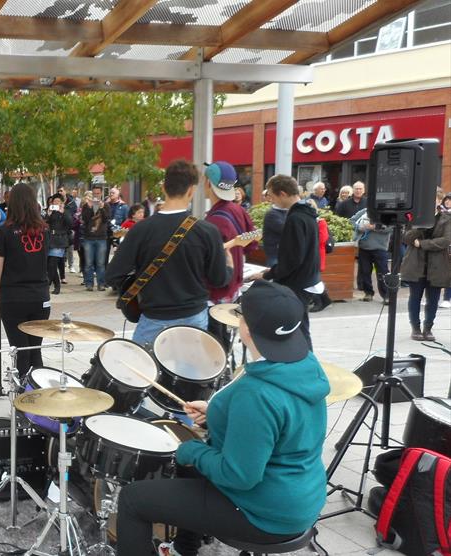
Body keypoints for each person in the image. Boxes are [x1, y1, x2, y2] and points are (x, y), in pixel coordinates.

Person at [116, 280, 329, 556]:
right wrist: (216, 413)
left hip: (264, 514)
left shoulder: (256, 394)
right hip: (302, 497)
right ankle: (184, 548)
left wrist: (191, 451)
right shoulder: (306, 367)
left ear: (247, 328)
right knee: (192, 466)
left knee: (133, 500)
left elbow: (239, 476)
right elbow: (282, 429)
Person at [107, 160, 232, 346]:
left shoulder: (140, 230)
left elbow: (112, 275)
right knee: (190, 373)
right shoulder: (207, 231)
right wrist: (229, 264)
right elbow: (219, 280)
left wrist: (138, 280)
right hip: (194, 319)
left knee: (146, 374)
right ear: (192, 190)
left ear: (164, 188)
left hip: (153, 319)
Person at [248, 175, 320, 349]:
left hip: (298, 283)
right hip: (307, 279)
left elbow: (292, 259)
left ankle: (307, 367)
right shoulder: (306, 213)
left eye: (271, 196)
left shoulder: (296, 218)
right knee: (301, 326)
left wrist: (267, 274)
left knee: (298, 328)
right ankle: (306, 365)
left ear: (282, 193)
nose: (270, 200)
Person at [0, 183, 50, 378]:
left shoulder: (3, 232)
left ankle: (25, 400)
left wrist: (0, 298)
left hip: (13, 297)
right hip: (40, 296)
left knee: (20, 352)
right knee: (35, 350)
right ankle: (39, 395)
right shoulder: (44, 230)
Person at [203, 161, 258, 306]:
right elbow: (252, 243)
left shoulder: (213, 221)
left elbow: (208, 263)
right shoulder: (239, 210)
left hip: (217, 294)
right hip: (235, 288)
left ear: (208, 183)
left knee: (214, 329)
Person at [402, 187, 451, 341]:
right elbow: (407, 237)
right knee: (415, 297)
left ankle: (428, 328)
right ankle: (415, 328)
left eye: (434, 199)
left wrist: (422, 244)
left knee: (433, 298)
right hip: (416, 263)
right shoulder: (414, 218)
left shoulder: (447, 219)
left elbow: (445, 241)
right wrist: (421, 225)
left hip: (437, 264)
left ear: (439, 200)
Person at [350, 207, 391, 303]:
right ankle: (368, 293)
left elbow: (391, 227)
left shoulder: (387, 212)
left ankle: (386, 296)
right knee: (365, 272)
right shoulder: (365, 210)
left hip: (380, 248)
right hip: (364, 247)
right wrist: (360, 227)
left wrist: (374, 227)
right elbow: (351, 221)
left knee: (383, 272)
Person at [81, 189, 111, 291]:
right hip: (89, 238)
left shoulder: (106, 205)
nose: (96, 195)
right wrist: (89, 207)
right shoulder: (86, 205)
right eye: (94, 193)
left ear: (101, 194)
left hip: (101, 238)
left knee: (100, 263)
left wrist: (102, 208)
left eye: (98, 193)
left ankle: (101, 284)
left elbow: (107, 219)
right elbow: (85, 219)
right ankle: (89, 284)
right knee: (88, 263)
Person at [46, 194, 72, 295]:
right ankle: (55, 284)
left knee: (52, 264)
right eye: (54, 202)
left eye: (58, 202)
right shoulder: (51, 212)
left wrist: (63, 212)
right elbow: (45, 223)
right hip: (49, 240)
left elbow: (70, 224)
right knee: (50, 265)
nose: (55, 203)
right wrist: (48, 214)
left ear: (62, 203)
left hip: (60, 241)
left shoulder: (66, 212)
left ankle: (52, 284)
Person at [261, 199, 287, 267]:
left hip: (284, 252)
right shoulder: (272, 214)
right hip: (275, 252)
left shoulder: (287, 212)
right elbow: (285, 229)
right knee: (274, 274)